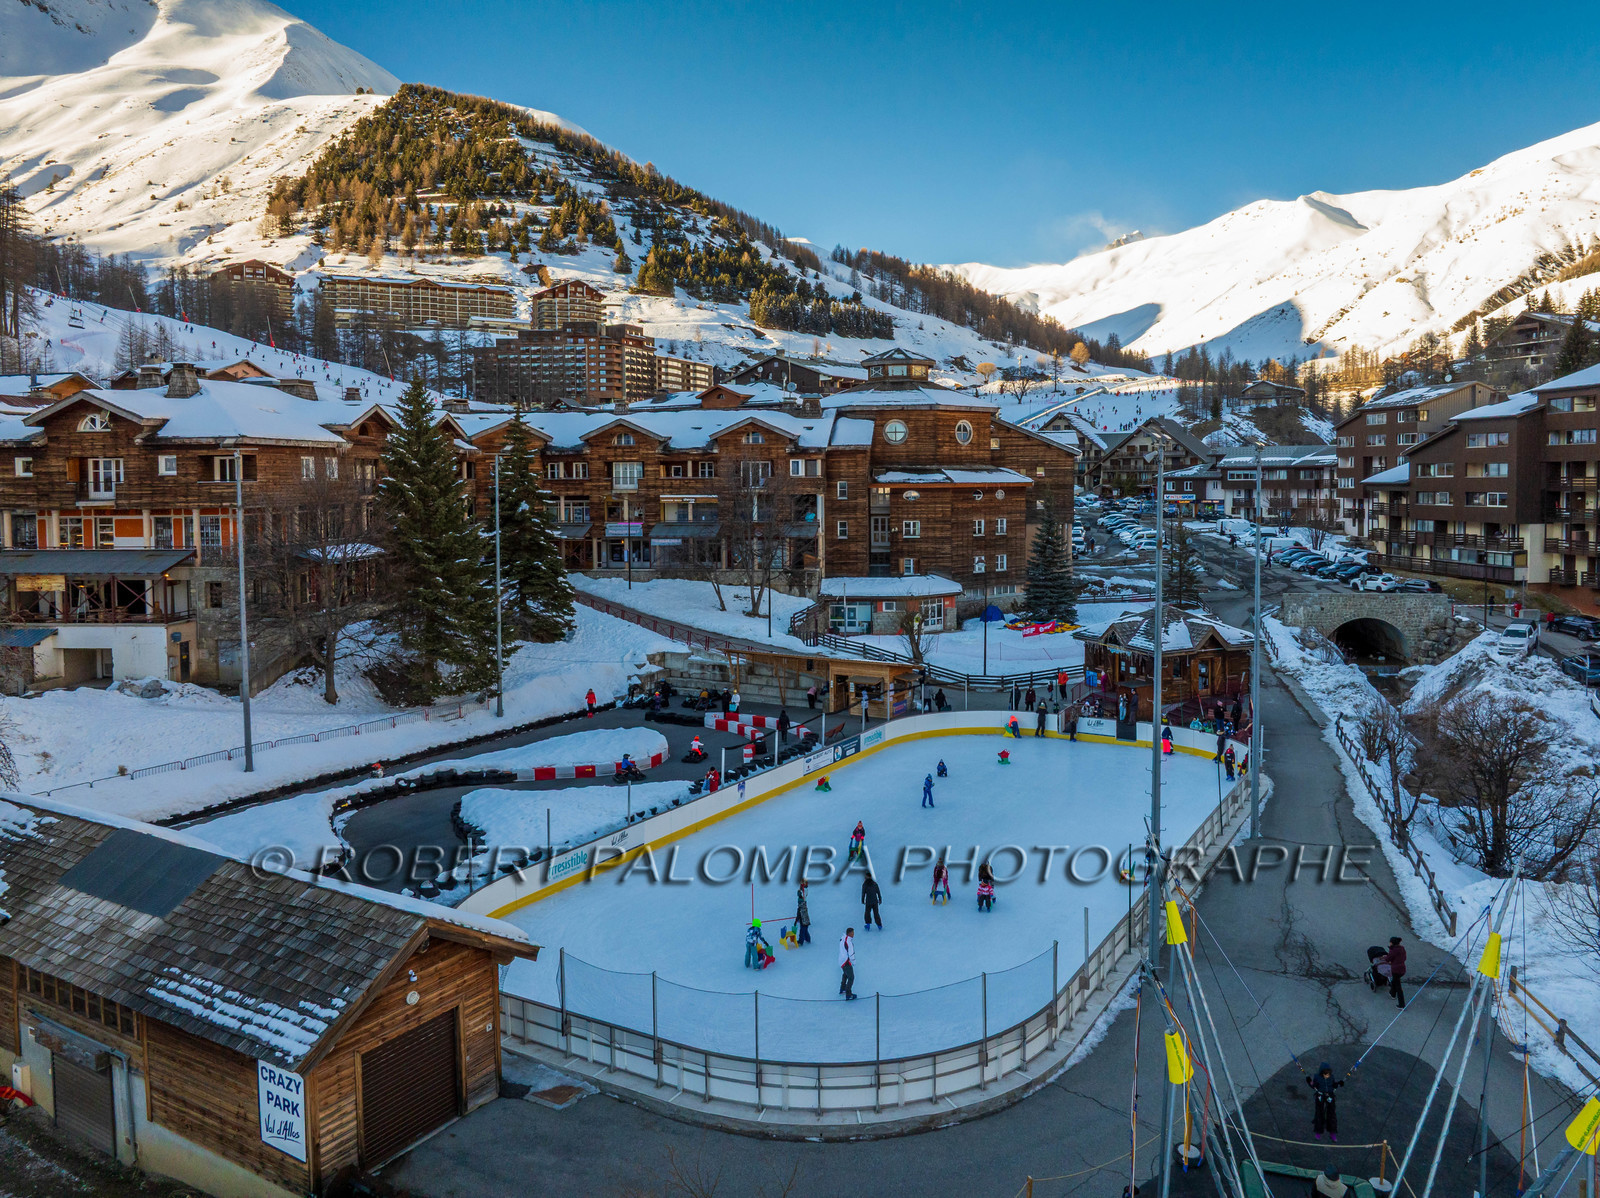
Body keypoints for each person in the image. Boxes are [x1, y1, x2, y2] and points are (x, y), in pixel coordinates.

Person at [1308, 1062, 1344, 1141]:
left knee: (1332, 1114)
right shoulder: (1317, 1077)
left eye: (1328, 1074)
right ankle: (1318, 1132)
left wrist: (1339, 1083)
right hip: (1320, 1096)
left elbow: (1333, 1084)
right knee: (1319, 1113)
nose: (1327, 1075)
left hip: (1329, 1096)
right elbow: (1314, 1086)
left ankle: (1332, 1132)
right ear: (1322, 1073)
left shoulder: (1331, 1077)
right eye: (1325, 1074)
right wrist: (1309, 1082)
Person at [1374, 936, 1407, 1008]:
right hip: (1402, 969)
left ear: (1392, 943)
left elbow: (1388, 959)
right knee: (1394, 981)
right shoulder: (1402, 948)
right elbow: (1404, 958)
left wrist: (1384, 957)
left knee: (1398, 987)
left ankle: (1401, 1005)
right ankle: (1392, 994)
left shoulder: (1393, 950)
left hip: (1396, 970)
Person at [838, 928, 857, 999]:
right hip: (846, 961)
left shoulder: (843, 939)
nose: (853, 934)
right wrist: (853, 962)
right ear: (849, 933)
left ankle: (842, 988)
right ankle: (848, 994)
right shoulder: (849, 942)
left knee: (845, 974)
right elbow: (851, 954)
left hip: (841, 961)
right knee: (851, 977)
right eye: (852, 933)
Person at [794, 880, 812, 946]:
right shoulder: (803, 906)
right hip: (805, 920)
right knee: (805, 930)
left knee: (802, 931)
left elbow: (799, 914)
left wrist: (796, 920)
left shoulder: (801, 908)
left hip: (803, 920)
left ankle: (800, 942)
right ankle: (808, 939)